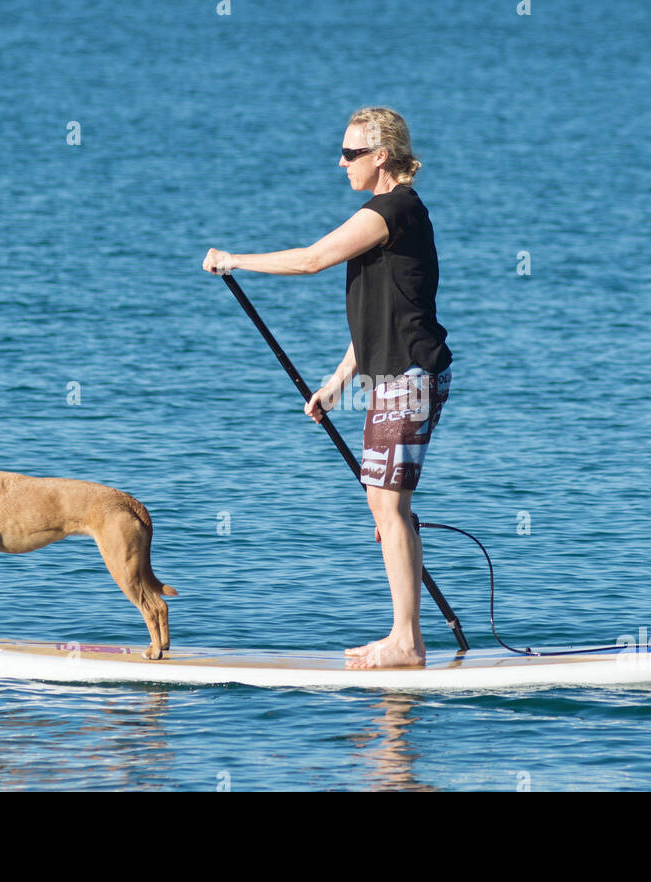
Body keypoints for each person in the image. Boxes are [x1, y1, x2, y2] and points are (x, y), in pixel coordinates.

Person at [202, 106, 452, 669]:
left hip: (408, 376)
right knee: (387, 510)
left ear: (380, 157)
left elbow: (313, 260)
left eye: (351, 153)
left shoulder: (393, 211)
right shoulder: (385, 217)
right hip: (388, 376)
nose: (340, 163)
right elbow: (379, 314)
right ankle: (406, 635)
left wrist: (234, 260)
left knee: (389, 510)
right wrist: (338, 383)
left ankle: (405, 642)